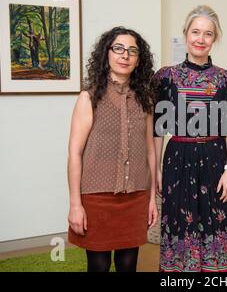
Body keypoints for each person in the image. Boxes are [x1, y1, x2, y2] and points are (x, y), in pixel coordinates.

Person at [154, 5, 227, 272]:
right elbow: (158, 130)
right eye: (195, 32)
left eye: (207, 34)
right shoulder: (165, 77)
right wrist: (156, 169)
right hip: (178, 159)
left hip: (215, 161)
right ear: (185, 34)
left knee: (217, 221)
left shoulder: (226, 78)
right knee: (180, 222)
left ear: (214, 39)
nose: (200, 39)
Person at [67, 27, 158, 272]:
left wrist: (152, 199)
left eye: (132, 51)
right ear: (106, 54)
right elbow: (75, 154)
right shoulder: (89, 98)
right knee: (98, 265)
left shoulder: (146, 100)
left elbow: (150, 150)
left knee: (128, 264)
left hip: (136, 195)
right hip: (97, 198)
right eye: (118, 48)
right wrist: (75, 204)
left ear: (139, 59)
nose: (125, 55)